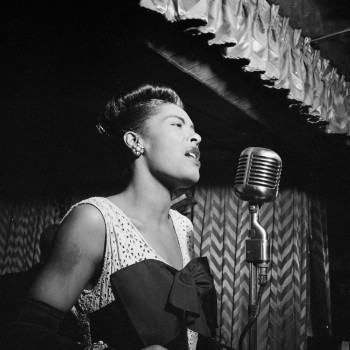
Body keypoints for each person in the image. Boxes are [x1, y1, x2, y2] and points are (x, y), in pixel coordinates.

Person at [6, 83, 220, 350]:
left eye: (193, 128)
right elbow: (24, 335)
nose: (196, 136)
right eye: (178, 125)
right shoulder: (94, 220)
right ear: (135, 141)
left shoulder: (183, 226)